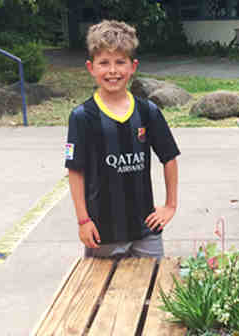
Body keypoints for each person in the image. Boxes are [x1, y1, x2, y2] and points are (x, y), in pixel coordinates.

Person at [65, 20, 180, 259]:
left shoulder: (148, 111)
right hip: (102, 234)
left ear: (133, 66)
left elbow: (169, 157)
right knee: (102, 284)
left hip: (147, 230)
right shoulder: (82, 116)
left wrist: (170, 206)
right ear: (91, 67)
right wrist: (83, 221)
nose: (112, 70)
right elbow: (75, 171)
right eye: (104, 63)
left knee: (152, 281)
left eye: (120, 62)